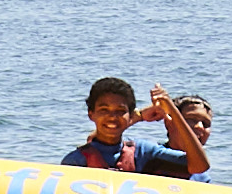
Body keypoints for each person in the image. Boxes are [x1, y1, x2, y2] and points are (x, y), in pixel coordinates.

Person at [61, 76, 209, 179]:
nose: (112, 117)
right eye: (104, 110)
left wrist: (171, 109)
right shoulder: (75, 161)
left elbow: (199, 166)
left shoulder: (143, 151)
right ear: (91, 114)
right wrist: (140, 115)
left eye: (120, 111)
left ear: (130, 115)